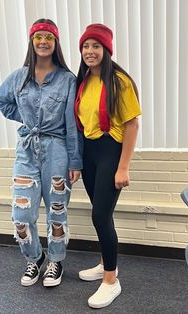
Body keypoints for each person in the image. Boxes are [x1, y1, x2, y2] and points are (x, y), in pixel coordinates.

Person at [0, 19, 82, 288]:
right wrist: (27, 119)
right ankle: (35, 257)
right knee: (21, 216)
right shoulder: (18, 77)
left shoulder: (68, 80)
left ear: (55, 43)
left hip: (57, 150)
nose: (43, 42)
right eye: (38, 37)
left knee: (57, 211)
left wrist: (75, 160)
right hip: (27, 150)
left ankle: (56, 260)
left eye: (49, 37)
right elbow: (0, 100)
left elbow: (71, 123)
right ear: (32, 42)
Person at [74, 23, 141, 309]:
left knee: (100, 216)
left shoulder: (119, 81)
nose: (90, 51)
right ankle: (105, 264)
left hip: (110, 152)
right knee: (102, 214)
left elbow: (132, 124)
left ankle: (111, 281)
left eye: (96, 46)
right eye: (86, 46)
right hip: (89, 152)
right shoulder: (84, 79)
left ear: (106, 50)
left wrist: (123, 167)